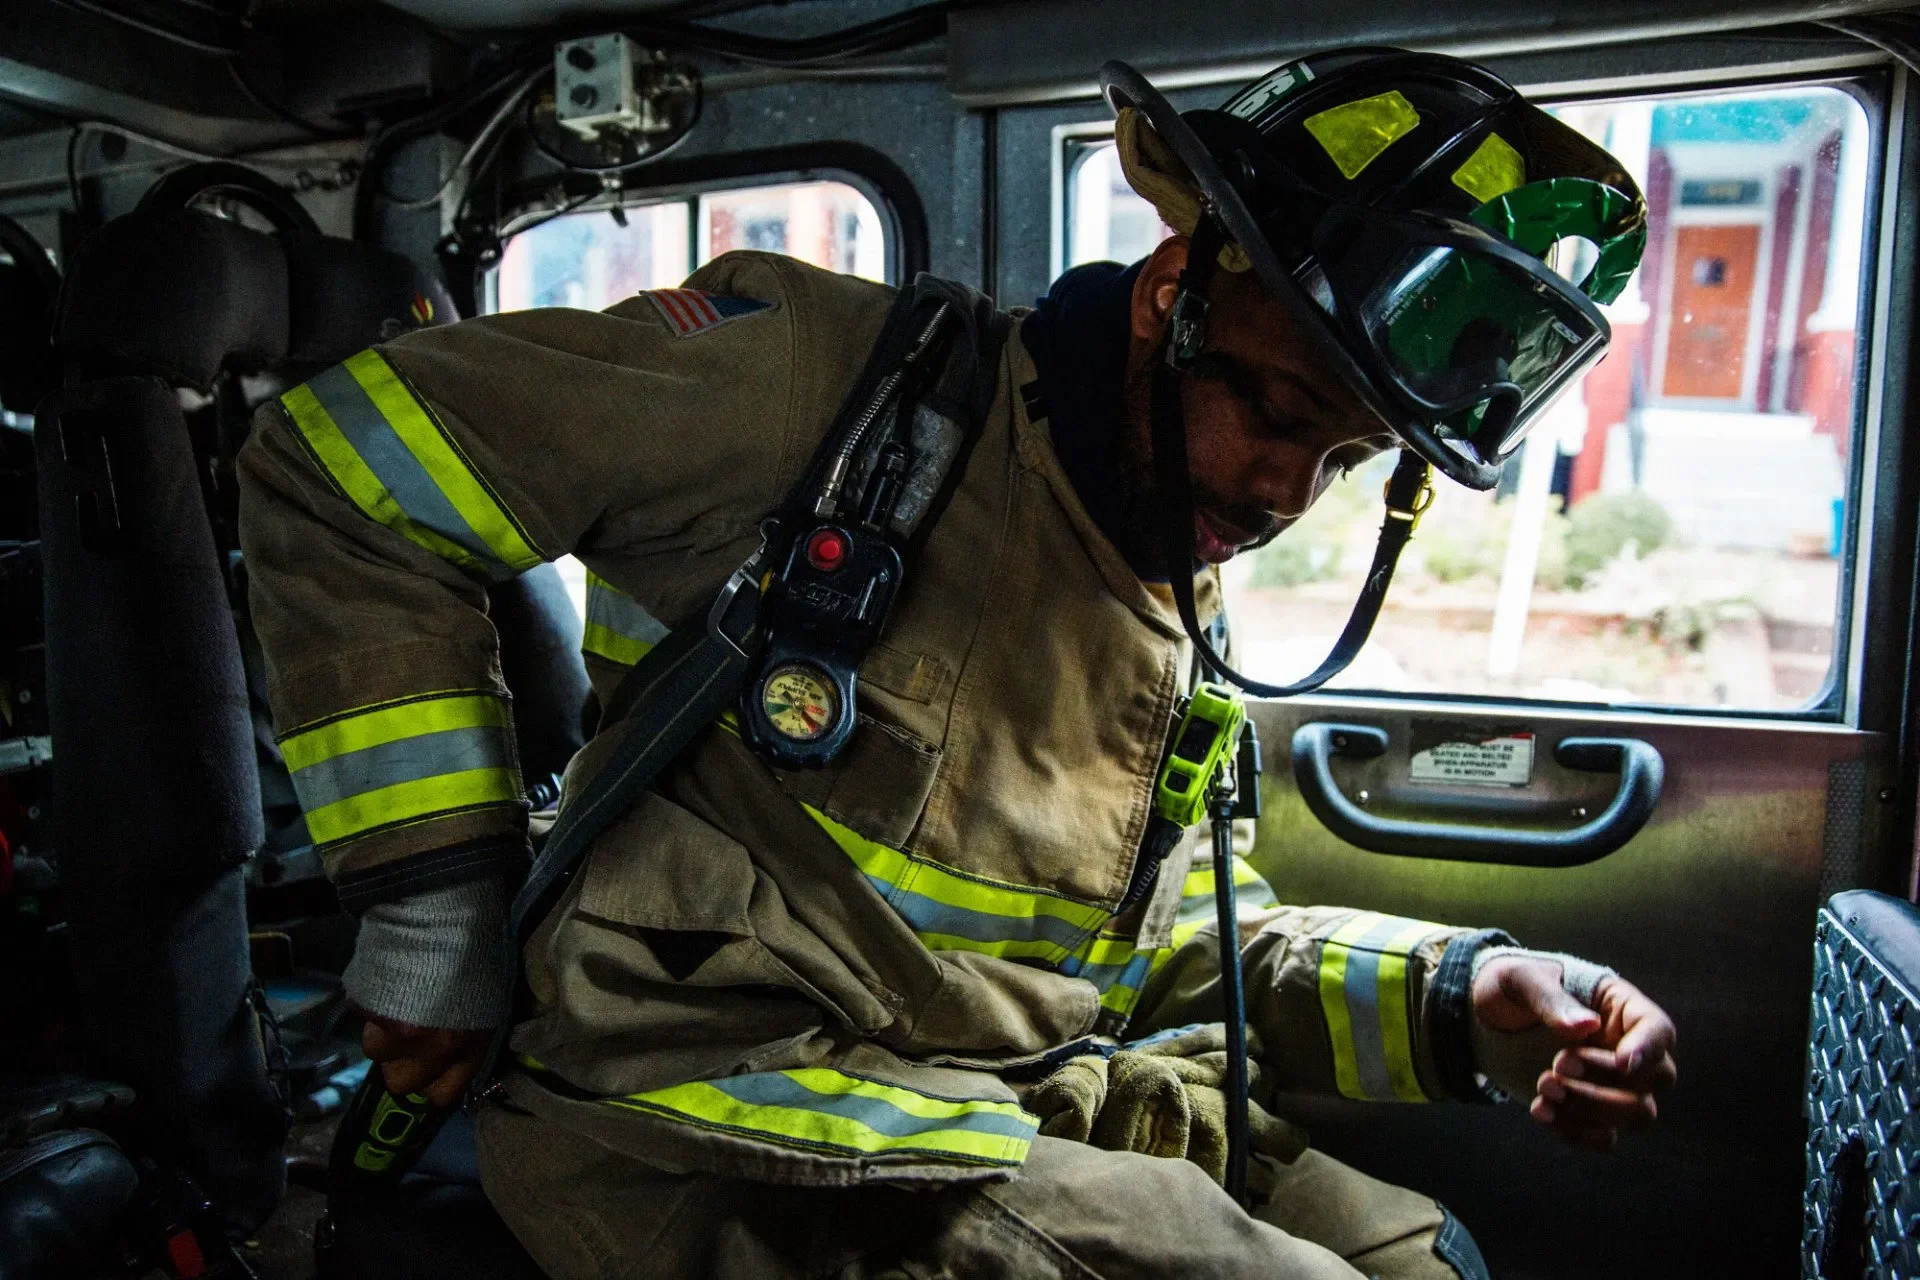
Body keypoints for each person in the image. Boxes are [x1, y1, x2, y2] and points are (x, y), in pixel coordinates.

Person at [239, 47, 1677, 1278]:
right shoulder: (829, 396)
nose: (1288, 489)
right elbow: (349, 464)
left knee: (1410, 1255)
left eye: (1348, 455)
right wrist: (433, 916)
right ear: (1173, 287)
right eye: (1283, 406)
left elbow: (1146, 957)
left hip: (1009, 1104)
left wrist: (1467, 995)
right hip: (718, 1114)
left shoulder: (1169, 589)